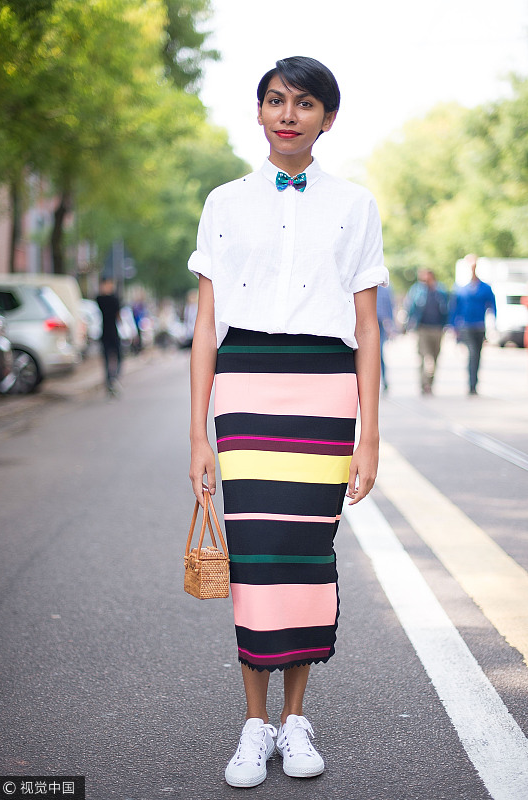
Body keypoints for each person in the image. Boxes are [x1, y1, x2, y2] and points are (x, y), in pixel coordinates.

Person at [188, 56, 388, 789]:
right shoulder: (224, 202)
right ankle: (253, 724)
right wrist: (197, 435)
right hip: (244, 386)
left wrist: (370, 436)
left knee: (305, 554)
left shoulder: (356, 204)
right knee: (255, 557)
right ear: (260, 111)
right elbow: (206, 325)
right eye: (276, 100)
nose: (288, 114)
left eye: (304, 104)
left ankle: (295, 719)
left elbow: (367, 327)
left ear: (327, 119)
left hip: (324, 389)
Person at [450, 254, 496, 395]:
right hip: (466, 326)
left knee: (477, 355)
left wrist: (493, 323)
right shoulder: (461, 288)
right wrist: (453, 326)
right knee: (472, 353)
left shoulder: (485, 288)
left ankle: (474, 383)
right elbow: (455, 308)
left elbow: (492, 306)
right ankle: (471, 384)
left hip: (479, 326)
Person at [405, 269, 449, 394]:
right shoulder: (417, 290)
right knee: (425, 357)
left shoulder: (440, 291)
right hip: (422, 328)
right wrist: (409, 324)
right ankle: (424, 384)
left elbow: (447, 309)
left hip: (437, 329)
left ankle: (429, 383)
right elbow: (411, 307)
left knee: (434, 357)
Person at [96, 276, 122, 396]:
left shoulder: (113, 299)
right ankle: (110, 380)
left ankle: (113, 377)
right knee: (108, 358)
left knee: (118, 356)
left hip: (112, 332)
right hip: (106, 332)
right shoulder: (101, 299)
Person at [376, 283, 395, 392]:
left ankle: (383, 381)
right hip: (364, 324)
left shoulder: (385, 288)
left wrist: (390, 326)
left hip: (380, 324)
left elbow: (389, 307)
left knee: (379, 353)